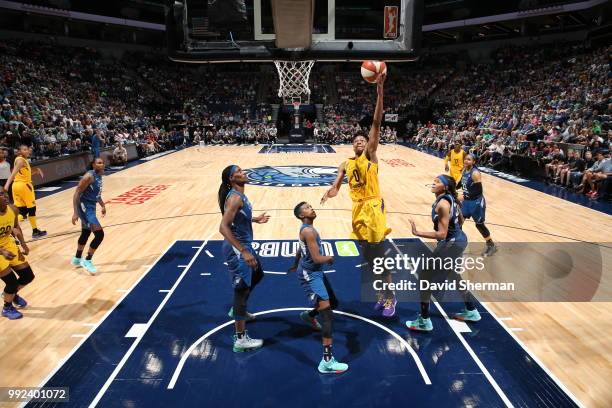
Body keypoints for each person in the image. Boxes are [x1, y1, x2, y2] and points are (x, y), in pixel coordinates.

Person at [320, 73, 396, 317]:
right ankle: (382, 295)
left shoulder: (370, 156)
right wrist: (329, 193)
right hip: (357, 209)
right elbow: (336, 186)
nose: (361, 141)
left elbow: (376, 123)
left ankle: (390, 298)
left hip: (373, 207)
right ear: (352, 145)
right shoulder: (346, 163)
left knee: (379, 256)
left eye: (364, 139)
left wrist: (380, 92)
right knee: (369, 257)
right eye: (357, 140)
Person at [406, 175, 480, 332]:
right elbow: (460, 219)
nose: (434, 182)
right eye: (434, 180)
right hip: (458, 240)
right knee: (453, 275)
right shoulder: (450, 198)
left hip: (451, 243)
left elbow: (441, 234)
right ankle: (472, 310)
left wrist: (417, 232)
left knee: (424, 279)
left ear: (445, 187)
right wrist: (456, 231)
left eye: (438, 181)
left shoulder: (442, 204)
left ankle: (424, 321)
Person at [289, 201, 348, 374]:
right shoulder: (308, 231)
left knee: (333, 302)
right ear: (301, 215)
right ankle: (327, 361)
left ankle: (309, 315)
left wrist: (294, 264)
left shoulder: (305, 229)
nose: (311, 208)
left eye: (310, 206)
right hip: (311, 275)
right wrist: (328, 258)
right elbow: (316, 258)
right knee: (328, 316)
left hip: (313, 271)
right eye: (307, 208)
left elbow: (300, 251)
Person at [218, 165, 270, 352]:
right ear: (232, 178)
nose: (245, 173)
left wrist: (255, 219)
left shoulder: (240, 196)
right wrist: (243, 251)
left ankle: (238, 310)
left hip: (243, 246)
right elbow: (223, 227)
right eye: (240, 171)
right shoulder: (234, 197)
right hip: (237, 249)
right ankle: (240, 339)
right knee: (241, 291)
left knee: (258, 273)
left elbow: (239, 217)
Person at [0, 189, 34, 320]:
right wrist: (2, 251)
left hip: (9, 245)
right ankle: (7, 307)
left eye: (5, 193)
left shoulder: (13, 209)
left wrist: (23, 244)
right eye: (1, 194)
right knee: (12, 282)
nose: (6, 196)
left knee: (28, 276)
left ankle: (11, 294)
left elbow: (15, 227)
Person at [3, 145, 46, 239]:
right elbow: (13, 173)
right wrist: (6, 185)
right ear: (19, 151)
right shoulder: (20, 160)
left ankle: (7, 227)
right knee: (31, 209)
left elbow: (23, 174)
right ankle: (35, 231)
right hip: (24, 187)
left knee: (21, 212)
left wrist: (36, 172)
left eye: (27, 149)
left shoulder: (20, 160)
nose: (27, 151)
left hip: (17, 186)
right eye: (24, 149)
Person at [71, 158, 106, 274]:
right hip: (84, 207)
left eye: (102, 162)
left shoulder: (99, 175)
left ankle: (77, 258)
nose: (101, 164)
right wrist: (75, 212)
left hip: (91, 206)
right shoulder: (89, 177)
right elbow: (77, 193)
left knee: (86, 232)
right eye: (98, 163)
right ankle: (87, 260)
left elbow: (96, 194)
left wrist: (102, 205)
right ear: (93, 165)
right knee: (99, 234)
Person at [460, 154, 497, 257]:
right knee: (459, 221)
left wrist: (463, 197)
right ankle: (458, 244)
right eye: (465, 159)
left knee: (479, 224)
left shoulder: (475, 173)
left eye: (469, 159)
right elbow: (462, 183)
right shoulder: (464, 169)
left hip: (476, 202)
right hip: (466, 201)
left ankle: (491, 245)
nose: (466, 161)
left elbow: (478, 190)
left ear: (474, 162)